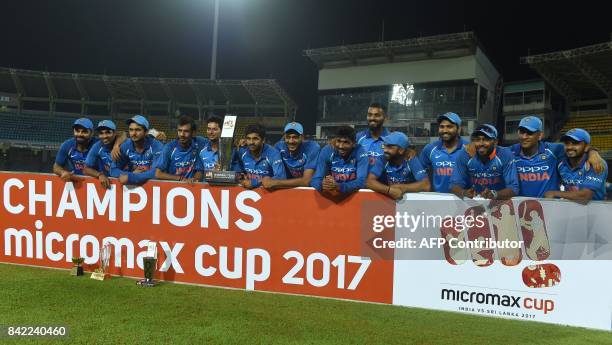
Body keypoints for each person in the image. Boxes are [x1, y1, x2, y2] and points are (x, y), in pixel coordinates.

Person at [509, 115, 605, 198]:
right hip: (520, 209)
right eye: (521, 132)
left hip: (550, 208)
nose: (524, 136)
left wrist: (593, 153)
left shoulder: (554, 150)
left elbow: (579, 149)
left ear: (540, 135)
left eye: (530, 132)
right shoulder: (509, 153)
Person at [450, 124, 519, 200]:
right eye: (477, 139)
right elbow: (454, 185)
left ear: (495, 142)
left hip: (499, 203)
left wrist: (494, 194)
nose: (481, 143)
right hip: (473, 204)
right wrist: (464, 192)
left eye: (486, 139)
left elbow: (513, 188)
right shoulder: (465, 155)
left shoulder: (505, 154)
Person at [544, 128, 608, 201]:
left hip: (595, 209)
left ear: (586, 146)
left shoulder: (595, 163)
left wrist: (554, 193)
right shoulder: (561, 163)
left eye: (575, 143)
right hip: (571, 208)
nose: (569, 147)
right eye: (566, 143)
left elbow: (585, 196)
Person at [367, 132, 430, 199]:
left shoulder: (411, 159)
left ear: (401, 150)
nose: (385, 150)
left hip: (409, 204)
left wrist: (403, 188)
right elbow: (369, 182)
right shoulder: (383, 158)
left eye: (389, 147)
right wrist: (389, 190)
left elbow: (426, 185)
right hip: (386, 202)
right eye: (384, 145)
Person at [311, 126, 369, 196]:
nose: (341, 146)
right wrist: (322, 185)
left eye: (346, 142)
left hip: (354, 197)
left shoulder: (360, 152)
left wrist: (339, 186)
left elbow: (362, 181)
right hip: (332, 197)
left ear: (354, 144)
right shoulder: (327, 151)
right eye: (338, 141)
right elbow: (315, 179)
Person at [261, 122, 320, 190]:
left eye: (295, 137)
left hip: (309, 191)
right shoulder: (279, 147)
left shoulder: (312, 147)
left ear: (302, 137)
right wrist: (247, 148)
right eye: (288, 137)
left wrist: (275, 183)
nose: (291, 141)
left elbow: (306, 181)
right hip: (288, 190)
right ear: (284, 137)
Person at [419, 112, 468, 193]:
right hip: (439, 200)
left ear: (459, 129)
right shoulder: (430, 149)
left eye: (449, 127)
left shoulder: (468, 148)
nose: (445, 130)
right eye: (442, 127)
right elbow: (419, 173)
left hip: (464, 200)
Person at [110, 115, 163, 185]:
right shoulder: (125, 146)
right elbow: (113, 170)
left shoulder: (157, 145)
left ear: (146, 132)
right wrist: (131, 174)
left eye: (138, 130)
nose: (133, 133)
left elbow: (156, 172)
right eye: (131, 130)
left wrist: (131, 177)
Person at [232, 124, 286, 189]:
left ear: (263, 140)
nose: (251, 142)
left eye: (255, 139)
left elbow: (281, 177)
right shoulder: (242, 151)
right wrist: (240, 177)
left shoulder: (273, 153)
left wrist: (255, 182)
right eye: (248, 139)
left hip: (270, 193)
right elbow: (236, 168)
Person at [155, 115, 204, 184]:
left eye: (186, 131)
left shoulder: (198, 145)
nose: (182, 134)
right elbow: (158, 174)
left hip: (191, 187)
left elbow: (199, 170)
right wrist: (181, 179)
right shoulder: (169, 147)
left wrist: (194, 179)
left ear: (193, 133)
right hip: (172, 189)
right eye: (179, 131)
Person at [83, 120, 117, 188]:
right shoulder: (97, 146)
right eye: (101, 133)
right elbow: (86, 169)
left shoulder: (124, 145)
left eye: (108, 132)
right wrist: (99, 175)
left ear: (115, 133)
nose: (104, 136)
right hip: (107, 184)